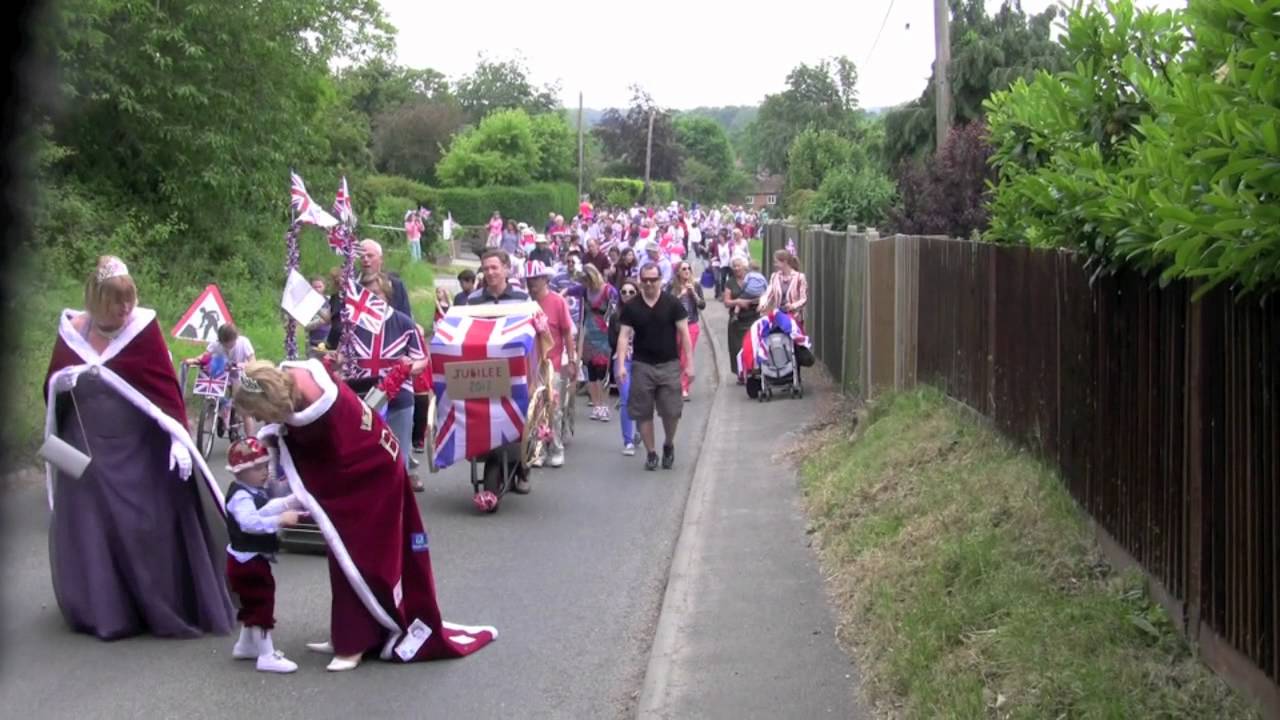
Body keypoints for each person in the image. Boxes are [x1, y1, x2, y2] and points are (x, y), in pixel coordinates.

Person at [232, 360, 497, 671]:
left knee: (362, 557)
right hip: (366, 463)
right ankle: (346, 634)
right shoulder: (292, 380)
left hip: (373, 475)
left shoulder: (316, 409)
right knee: (340, 553)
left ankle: (356, 644)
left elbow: (327, 455)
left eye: (261, 413)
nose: (262, 419)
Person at [43, 255, 235, 640]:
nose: (126, 308)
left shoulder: (141, 330)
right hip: (88, 449)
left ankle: (159, 601)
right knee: (92, 524)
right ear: (96, 299)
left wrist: (179, 438)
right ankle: (105, 608)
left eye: (129, 298)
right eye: (116, 300)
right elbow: (50, 388)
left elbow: (164, 390)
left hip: (139, 448)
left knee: (146, 523)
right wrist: (59, 382)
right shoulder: (72, 331)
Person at [223, 437, 304, 674]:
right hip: (247, 561)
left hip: (248, 559)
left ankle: (246, 645)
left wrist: (288, 502)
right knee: (262, 602)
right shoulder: (241, 496)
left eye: (266, 465)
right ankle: (266, 655)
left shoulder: (251, 492)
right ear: (241, 471)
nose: (265, 471)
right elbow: (249, 522)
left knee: (252, 602)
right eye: (258, 467)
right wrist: (280, 519)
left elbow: (263, 509)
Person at [349, 274, 429, 491]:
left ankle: (397, 504)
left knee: (397, 458)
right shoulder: (353, 324)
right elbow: (342, 357)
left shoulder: (403, 322)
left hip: (398, 396)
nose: (371, 299)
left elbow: (422, 357)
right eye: (366, 295)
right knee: (363, 456)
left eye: (375, 294)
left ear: (386, 296)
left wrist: (408, 368)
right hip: (362, 398)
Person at [615, 263, 694, 471]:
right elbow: (623, 337)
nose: (649, 284)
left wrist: (690, 365)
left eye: (653, 279)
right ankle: (651, 453)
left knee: (671, 411)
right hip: (642, 365)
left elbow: (685, 335)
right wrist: (621, 365)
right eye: (645, 280)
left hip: (669, 364)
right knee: (643, 412)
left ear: (661, 280)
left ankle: (668, 444)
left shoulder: (672, 303)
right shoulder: (632, 306)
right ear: (640, 280)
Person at [526, 261, 576, 469]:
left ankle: (556, 448)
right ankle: (538, 449)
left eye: (535, 279)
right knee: (534, 409)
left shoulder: (557, 302)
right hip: (530, 364)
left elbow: (566, 332)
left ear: (545, 279)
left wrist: (572, 359)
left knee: (553, 406)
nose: (531, 284)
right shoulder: (525, 303)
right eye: (528, 280)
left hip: (553, 362)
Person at [184, 323, 258, 437]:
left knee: (244, 409)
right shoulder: (216, 344)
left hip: (239, 375)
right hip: (223, 375)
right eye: (224, 344)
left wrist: (243, 365)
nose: (227, 346)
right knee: (216, 390)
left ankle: (251, 439)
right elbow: (205, 356)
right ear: (220, 341)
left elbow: (252, 360)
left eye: (230, 343)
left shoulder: (244, 343)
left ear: (236, 338)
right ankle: (219, 411)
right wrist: (194, 360)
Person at [578, 265, 619, 420]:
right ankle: (596, 406)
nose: (585, 283)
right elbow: (582, 312)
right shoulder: (584, 291)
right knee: (591, 371)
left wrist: (608, 326)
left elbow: (614, 312)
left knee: (603, 371)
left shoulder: (609, 291)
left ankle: (604, 406)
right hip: (589, 331)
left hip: (604, 333)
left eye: (587, 280)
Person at [611, 280, 641, 455]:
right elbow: (611, 340)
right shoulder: (616, 315)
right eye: (624, 292)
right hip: (623, 361)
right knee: (626, 399)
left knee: (640, 398)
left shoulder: (643, 313)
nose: (627, 295)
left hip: (641, 359)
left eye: (631, 292)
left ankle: (638, 430)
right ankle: (628, 441)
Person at [724, 256, 762, 382]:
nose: (736, 268)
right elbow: (726, 302)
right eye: (734, 266)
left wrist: (750, 301)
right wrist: (738, 301)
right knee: (737, 348)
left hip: (752, 318)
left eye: (738, 265)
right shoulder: (730, 282)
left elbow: (762, 295)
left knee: (752, 346)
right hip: (737, 321)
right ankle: (740, 373)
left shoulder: (751, 279)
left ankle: (753, 371)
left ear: (744, 267)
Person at [672, 261, 706, 400]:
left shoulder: (696, 285)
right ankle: (675, 384)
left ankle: (684, 387)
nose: (687, 271)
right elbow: (668, 303)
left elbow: (702, 305)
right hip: (674, 326)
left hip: (691, 325)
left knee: (686, 355)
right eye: (683, 269)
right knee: (677, 357)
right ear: (678, 272)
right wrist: (681, 294)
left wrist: (694, 294)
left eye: (688, 269)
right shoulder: (672, 287)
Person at [359, 239, 412, 319]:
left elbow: (406, 318)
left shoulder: (396, 285)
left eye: (370, 256)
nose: (365, 259)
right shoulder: (352, 284)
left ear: (381, 259)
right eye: (362, 257)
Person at [761, 249, 809, 330]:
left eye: (776, 262)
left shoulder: (800, 277)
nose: (774, 264)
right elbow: (769, 293)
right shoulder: (774, 276)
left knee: (796, 340)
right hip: (779, 316)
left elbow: (804, 299)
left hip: (795, 318)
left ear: (785, 262)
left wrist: (793, 306)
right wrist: (763, 304)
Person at [306, 276, 332, 354]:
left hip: (330, 342)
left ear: (324, 287)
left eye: (320, 287)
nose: (317, 289)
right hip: (314, 343)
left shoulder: (331, 300)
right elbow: (306, 326)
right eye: (315, 287)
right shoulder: (307, 304)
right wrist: (319, 322)